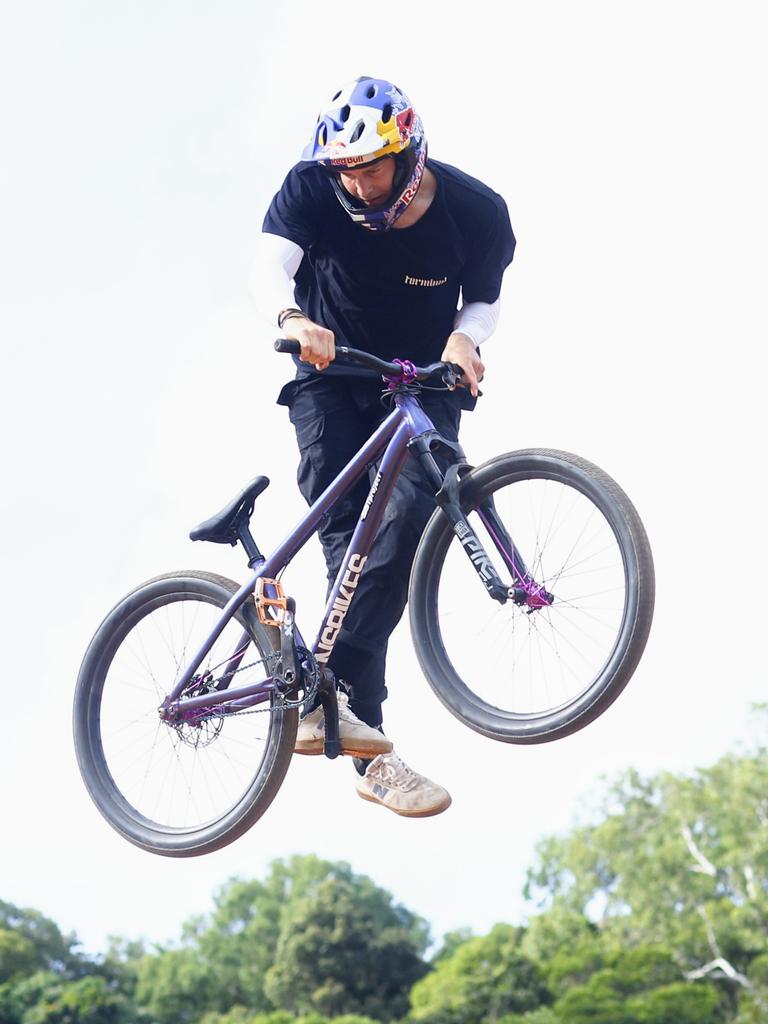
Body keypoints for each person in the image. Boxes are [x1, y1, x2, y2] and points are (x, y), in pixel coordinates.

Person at [250, 76, 515, 817]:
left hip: (423, 382)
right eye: (347, 170)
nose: (359, 184)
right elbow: (269, 263)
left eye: (372, 168)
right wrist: (292, 317)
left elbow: (484, 300)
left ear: (410, 152)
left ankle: (329, 706)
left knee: (407, 531)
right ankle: (372, 748)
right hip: (333, 377)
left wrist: (467, 337)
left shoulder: (476, 211)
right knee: (356, 550)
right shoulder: (312, 186)